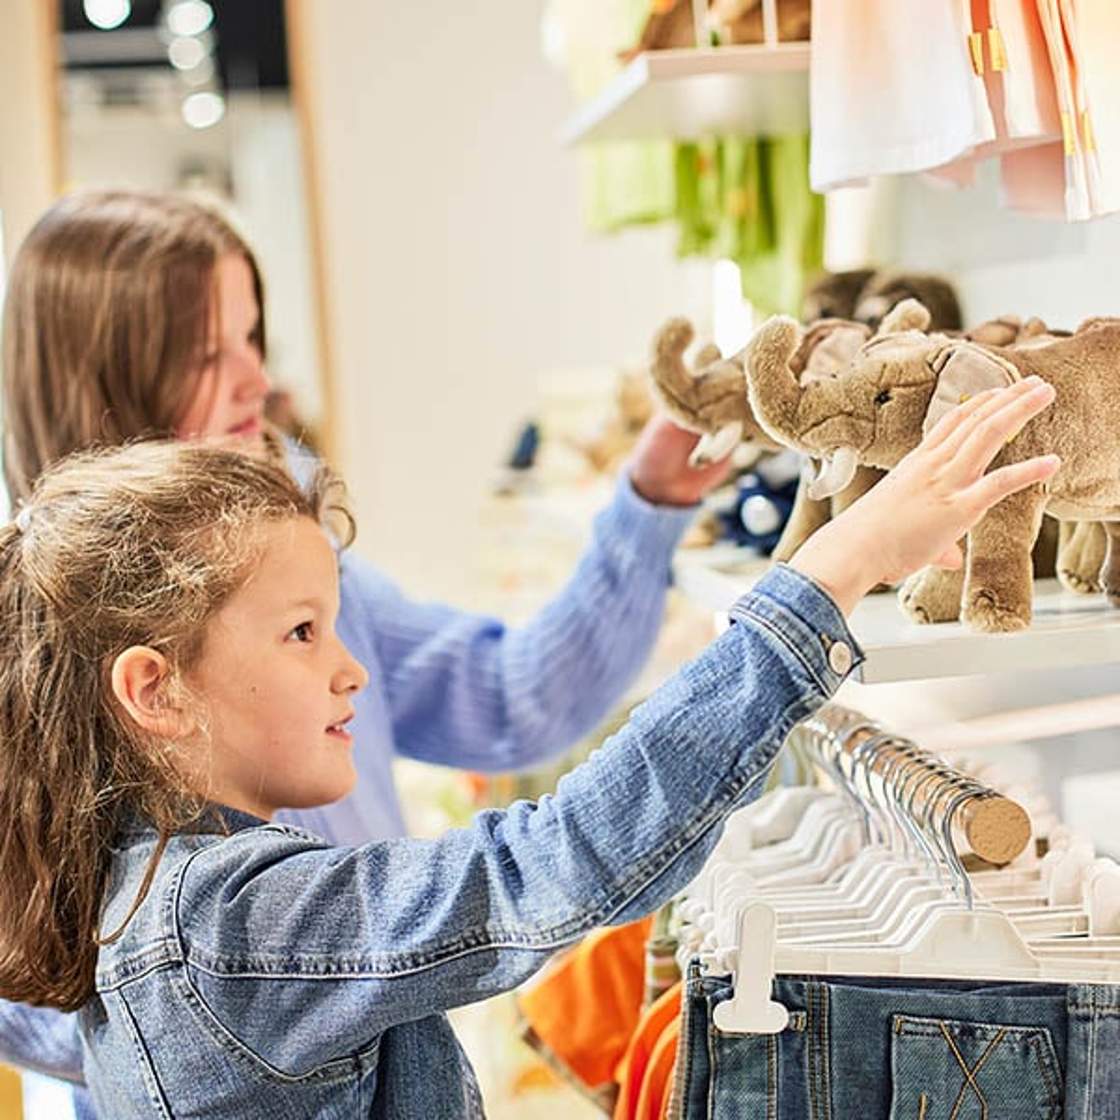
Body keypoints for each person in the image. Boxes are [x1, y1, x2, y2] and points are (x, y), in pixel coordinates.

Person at [0, 375, 1057, 1117]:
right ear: (155, 691)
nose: (352, 670)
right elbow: (554, 862)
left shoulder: (150, 897)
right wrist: (836, 569)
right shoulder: (233, 927)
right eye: (303, 633)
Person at [0, 189, 730, 1096]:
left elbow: (510, 699)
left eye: (252, 337)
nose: (255, 380)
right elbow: (28, 983)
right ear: (102, 376)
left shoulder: (300, 565)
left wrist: (651, 501)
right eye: (205, 353)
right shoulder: (29, 658)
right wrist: (236, 1010)